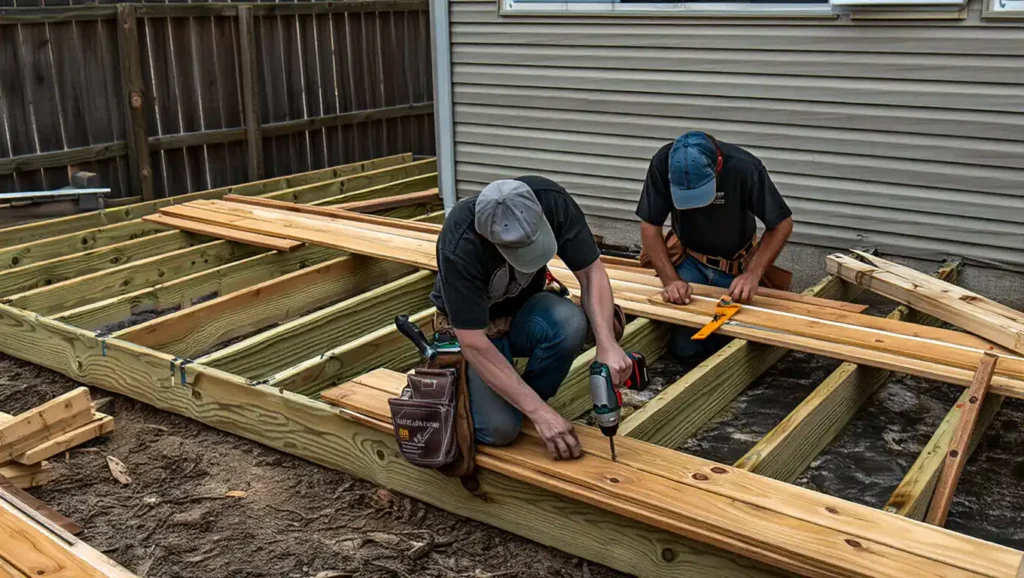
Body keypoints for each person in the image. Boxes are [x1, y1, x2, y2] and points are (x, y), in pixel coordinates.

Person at [429, 177, 632, 461]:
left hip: (526, 313)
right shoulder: (460, 243)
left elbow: (591, 273)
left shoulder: (551, 200)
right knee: (500, 431)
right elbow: (473, 342)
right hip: (476, 332)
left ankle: (527, 399)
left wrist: (607, 344)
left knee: (570, 321)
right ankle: (520, 406)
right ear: (488, 237)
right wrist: (540, 414)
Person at [636, 131, 794, 360]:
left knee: (734, 347)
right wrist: (670, 280)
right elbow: (650, 226)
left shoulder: (745, 168)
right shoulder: (663, 162)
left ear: (718, 164)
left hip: (735, 266)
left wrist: (752, 275)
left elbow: (782, 223)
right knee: (684, 348)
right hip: (690, 260)